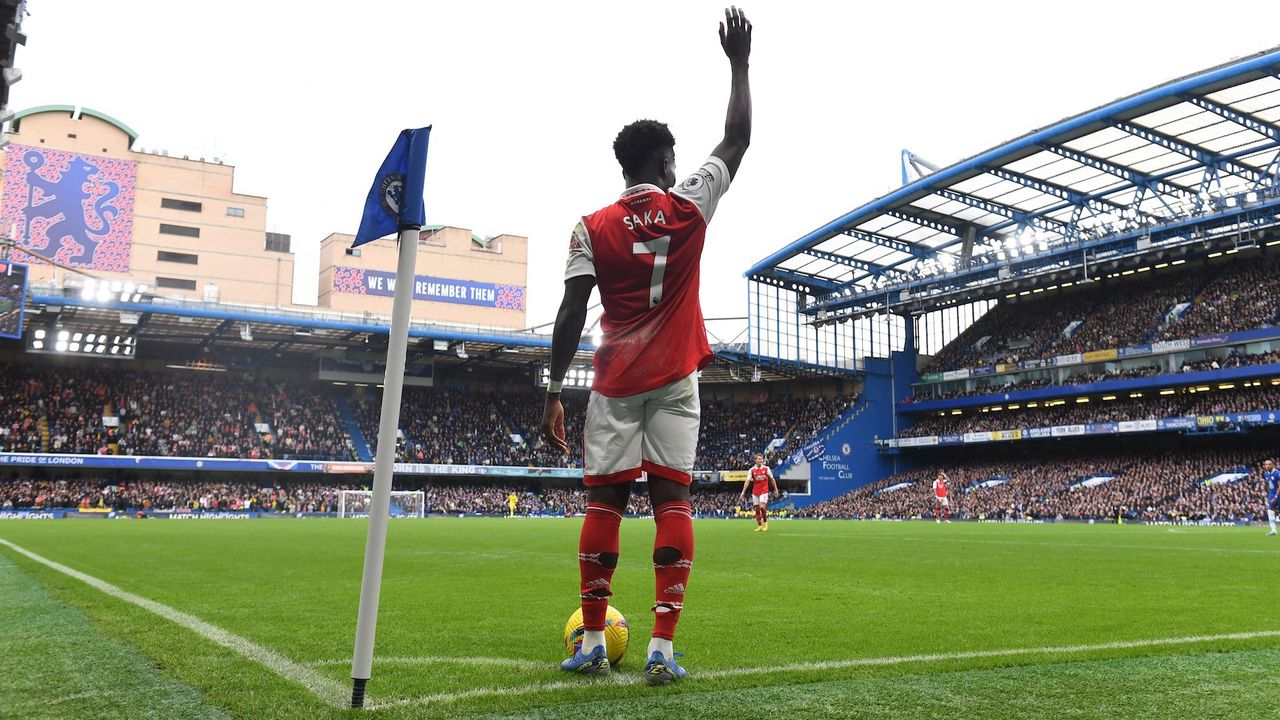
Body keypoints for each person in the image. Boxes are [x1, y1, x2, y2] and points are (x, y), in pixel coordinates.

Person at [541, 6, 752, 685]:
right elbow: (737, 137)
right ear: (664, 162)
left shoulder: (588, 226)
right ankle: (661, 648)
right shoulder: (688, 205)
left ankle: (593, 641)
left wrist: (553, 391)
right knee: (673, 503)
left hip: (614, 381)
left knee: (603, 506)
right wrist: (739, 62)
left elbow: (573, 307)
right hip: (674, 379)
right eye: (672, 154)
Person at [739, 452, 778, 532]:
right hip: (755, 492)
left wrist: (776, 489)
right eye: (759, 459)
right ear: (755, 460)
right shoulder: (752, 470)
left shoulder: (766, 469)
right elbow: (747, 481)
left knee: (762, 507)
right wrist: (743, 492)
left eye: (762, 459)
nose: (761, 460)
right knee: (757, 509)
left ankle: (765, 522)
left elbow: (772, 479)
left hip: (764, 491)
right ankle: (759, 525)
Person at [1263, 459, 1278, 536]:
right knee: (1270, 511)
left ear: (1272, 465)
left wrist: (1276, 497)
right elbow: (1268, 484)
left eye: (1269, 464)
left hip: (1278, 494)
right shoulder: (1266, 474)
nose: (1267, 466)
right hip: (1272, 494)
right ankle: (1273, 530)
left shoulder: (1277, 473)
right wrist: (1269, 494)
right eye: (1266, 464)